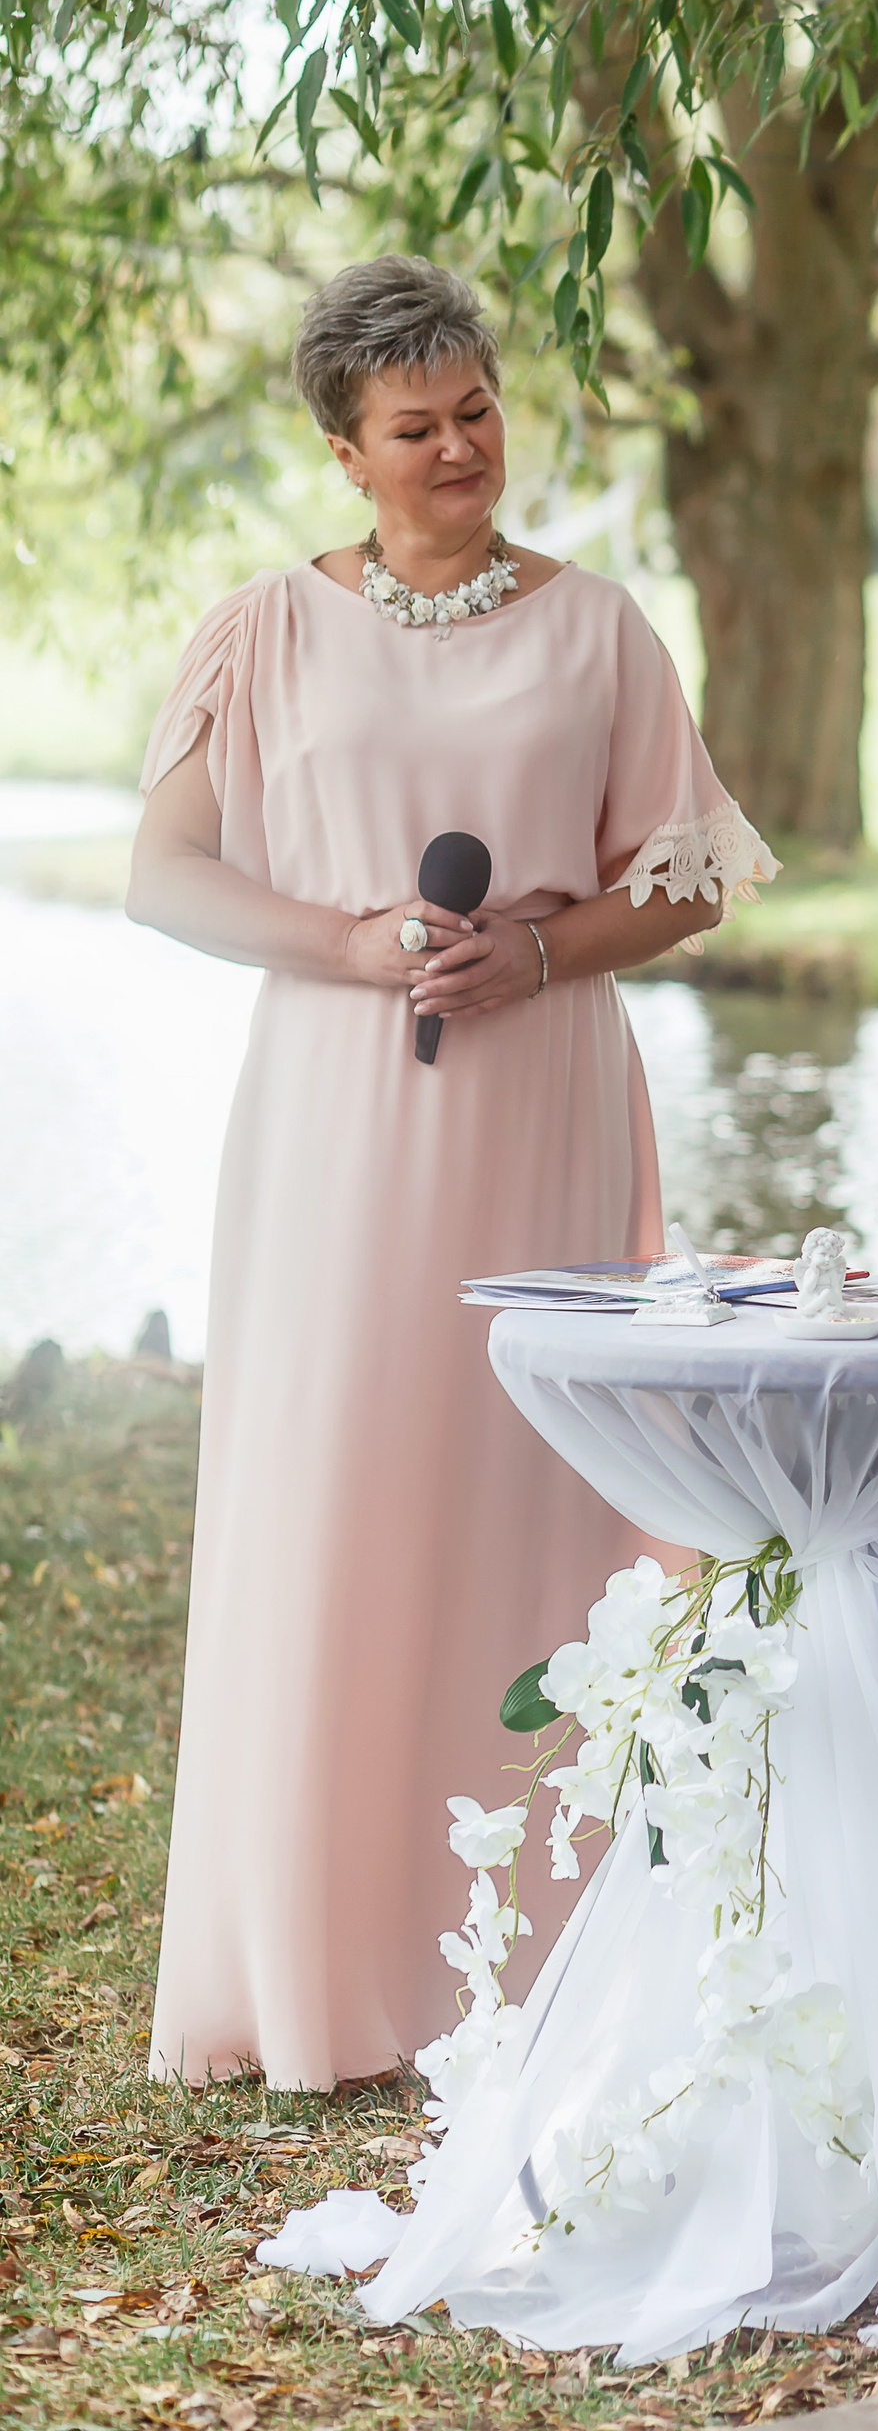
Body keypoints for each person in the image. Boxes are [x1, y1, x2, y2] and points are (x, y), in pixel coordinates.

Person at [128, 256, 776, 2091]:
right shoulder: (262, 633)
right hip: (337, 1120)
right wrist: (352, 944)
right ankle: (320, 1970)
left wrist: (546, 951)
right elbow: (163, 878)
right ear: (345, 451)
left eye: (478, 411)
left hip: (544, 1102)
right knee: (338, 1486)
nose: (461, 448)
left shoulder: (603, 631)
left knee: (535, 1486)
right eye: (415, 428)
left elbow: (692, 878)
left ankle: (553, 1962)